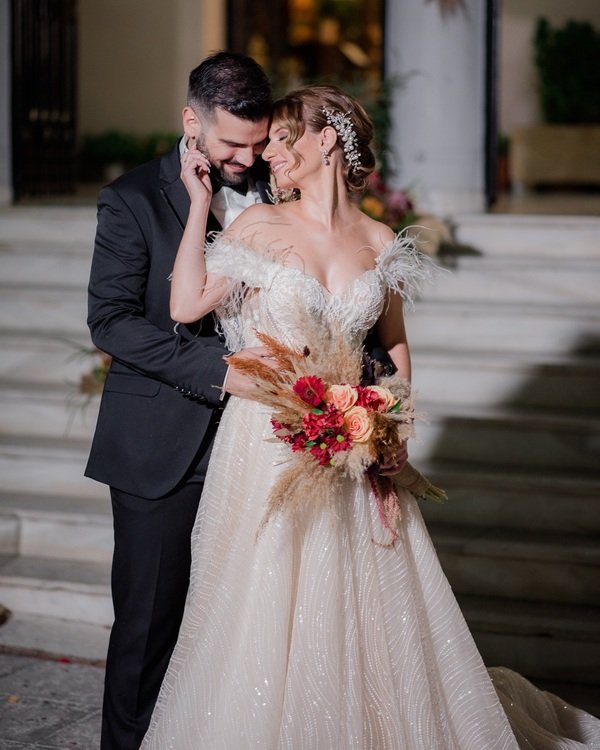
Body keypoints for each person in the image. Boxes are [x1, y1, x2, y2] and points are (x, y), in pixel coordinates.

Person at [141, 85, 600, 749]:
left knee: (357, 601)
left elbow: (393, 343)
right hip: (266, 441)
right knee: (267, 597)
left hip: (352, 439)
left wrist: (393, 421)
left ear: (326, 139)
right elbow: (185, 306)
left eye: (281, 139)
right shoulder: (260, 224)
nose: (268, 154)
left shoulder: (380, 239)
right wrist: (198, 204)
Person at [85, 51, 274, 750]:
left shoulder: (283, 192)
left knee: (245, 630)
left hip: (265, 446)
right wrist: (221, 371)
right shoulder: (132, 198)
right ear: (191, 122)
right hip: (163, 447)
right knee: (148, 629)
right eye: (232, 144)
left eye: (258, 143)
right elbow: (111, 321)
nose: (247, 159)